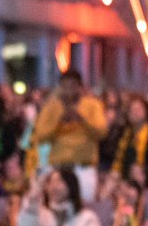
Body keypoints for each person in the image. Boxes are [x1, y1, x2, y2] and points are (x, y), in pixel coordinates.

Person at [32, 70, 107, 201]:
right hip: (57, 169)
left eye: (72, 86)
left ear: (80, 87)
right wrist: (59, 121)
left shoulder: (93, 105)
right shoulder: (51, 107)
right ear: (59, 88)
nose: (68, 91)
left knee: (85, 206)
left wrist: (81, 119)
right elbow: (40, 136)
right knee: (55, 208)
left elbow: (101, 132)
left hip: (84, 169)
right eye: (64, 87)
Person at [106, 94, 148, 188]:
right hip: (125, 182)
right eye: (132, 110)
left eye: (139, 109)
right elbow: (115, 157)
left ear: (146, 111)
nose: (135, 113)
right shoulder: (124, 133)